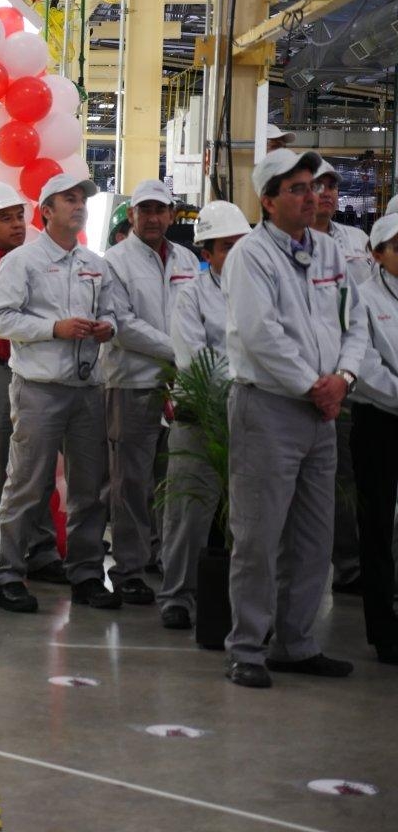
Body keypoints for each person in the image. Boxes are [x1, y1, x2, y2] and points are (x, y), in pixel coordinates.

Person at [222, 148, 367, 688]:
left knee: (313, 536)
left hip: (322, 411)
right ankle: (247, 648)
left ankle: (296, 644)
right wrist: (315, 385)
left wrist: (343, 379)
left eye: (315, 186)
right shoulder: (250, 256)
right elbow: (261, 336)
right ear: (268, 201)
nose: (313, 197)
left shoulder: (330, 252)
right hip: (268, 409)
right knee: (258, 536)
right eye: (298, 189)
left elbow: (355, 323)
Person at [0, 172, 121, 613]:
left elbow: (112, 313)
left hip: (87, 389)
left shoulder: (96, 264)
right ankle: (9, 575)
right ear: (46, 211)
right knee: (27, 484)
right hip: (39, 390)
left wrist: (106, 328)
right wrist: (53, 328)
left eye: (82, 199)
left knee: (89, 489)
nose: (79, 205)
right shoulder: (21, 262)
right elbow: (0, 319)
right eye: (69, 199)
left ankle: (86, 574)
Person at [102, 179, 201, 604]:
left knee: (172, 482)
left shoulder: (187, 259)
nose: (153, 218)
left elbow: (197, 313)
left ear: (172, 215)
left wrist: (190, 359)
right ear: (132, 215)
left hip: (181, 386)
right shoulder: (115, 262)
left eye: (161, 210)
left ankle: (166, 559)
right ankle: (129, 569)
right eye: (145, 210)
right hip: (132, 383)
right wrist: (180, 351)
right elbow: (122, 326)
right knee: (130, 483)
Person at [0, 182, 63, 589]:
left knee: (36, 467)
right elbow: (12, 311)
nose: (18, 224)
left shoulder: (37, 261)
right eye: (6, 219)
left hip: (35, 371)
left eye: (20, 216)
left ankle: (40, 551)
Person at [157, 201, 251, 630]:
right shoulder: (190, 295)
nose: (236, 254)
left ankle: (240, 601)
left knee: (247, 518)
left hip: (254, 417)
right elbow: (194, 360)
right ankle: (177, 596)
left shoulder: (266, 291)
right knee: (189, 513)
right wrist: (242, 384)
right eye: (226, 247)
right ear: (207, 253)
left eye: (241, 245)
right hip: (200, 416)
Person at [310, 159, 372, 595]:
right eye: (319, 186)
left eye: (333, 186)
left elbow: (365, 308)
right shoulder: (283, 245)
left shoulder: (357, 241)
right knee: (318, 479)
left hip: (353, 378)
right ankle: (328, 568)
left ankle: (353, 565)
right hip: (309, 381)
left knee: (351, 474)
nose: (328, 193)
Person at [350, 213, 398, 665]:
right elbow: (364, 368)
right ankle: (383, 629)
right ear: (377, 254)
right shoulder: (362, 298)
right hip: (379, 421)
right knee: (378, 524)